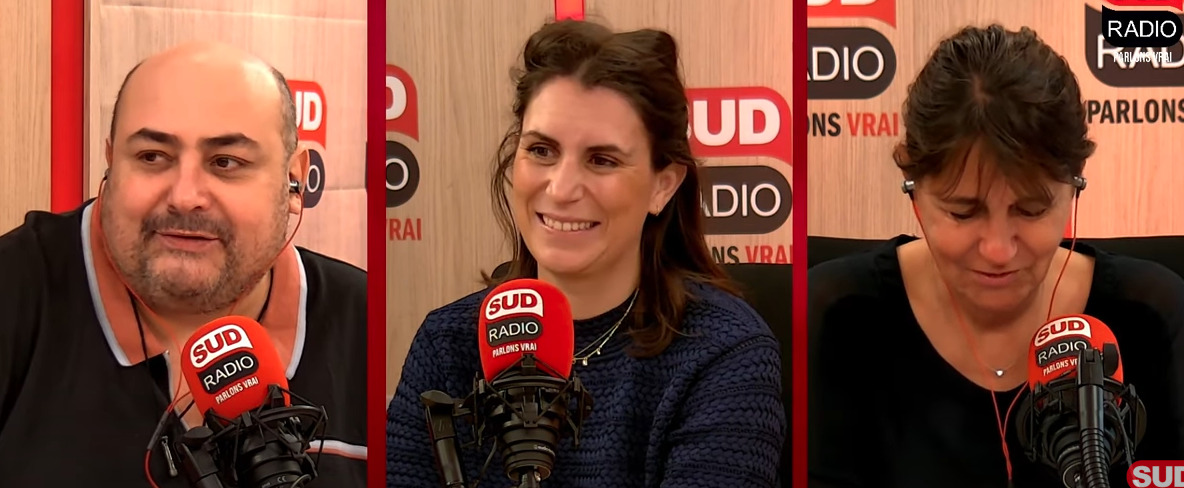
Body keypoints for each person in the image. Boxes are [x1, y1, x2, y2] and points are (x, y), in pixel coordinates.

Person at [386, 19, 786, 488]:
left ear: (663, 186)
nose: (561, 188)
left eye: (602, 160)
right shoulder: (447, 342)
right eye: (542, 150)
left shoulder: (724, 354)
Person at [807, 24, 1184, 488]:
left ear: (1075, 186)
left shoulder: (1152, 315)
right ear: (913, 189)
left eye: (1031, 209)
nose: (998, 250)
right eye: (963, 212)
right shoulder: (839, 315)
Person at [0, 42, 367, 486]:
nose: (185, 196)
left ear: (294, 180)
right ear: (111, 163)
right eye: (152, 157)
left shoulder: (365, 321)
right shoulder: (15, 289)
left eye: (226, 162)